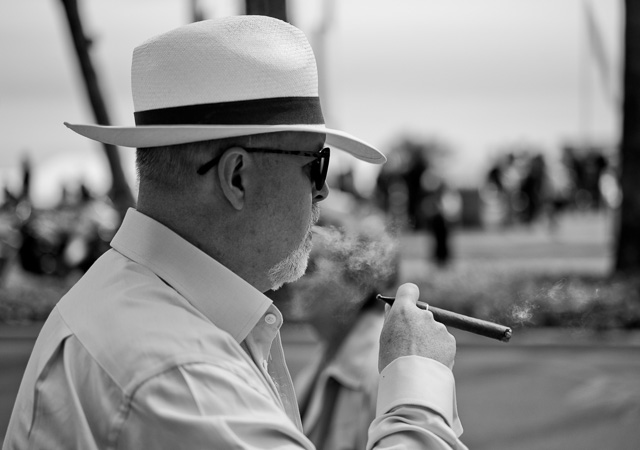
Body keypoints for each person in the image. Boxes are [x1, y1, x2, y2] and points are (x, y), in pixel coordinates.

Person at [3, 16, 466, 449]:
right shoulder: (181, 373)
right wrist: (416, 388)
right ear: (237, 176)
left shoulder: (130, 303)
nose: (322, 193)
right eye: (315, 164)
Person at [276, 223, 400, 450]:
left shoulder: (380, 370)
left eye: (310, 268)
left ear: (356, 283)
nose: (294, 280)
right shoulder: (332, 349)